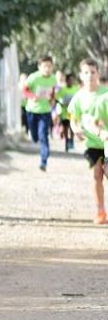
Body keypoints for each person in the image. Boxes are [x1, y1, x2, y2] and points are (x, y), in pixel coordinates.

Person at [68, 59, 108, 223]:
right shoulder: (78, 97)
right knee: (96, 176)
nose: (90, 75)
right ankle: (101, 212)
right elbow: (73, 119)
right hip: (91, 143)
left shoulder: (105, 94)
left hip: (106, 141)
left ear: (98, 73)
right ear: (81, 76)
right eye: (86, 72)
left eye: (93, 72)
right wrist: (75, 129)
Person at [23, 56, 57, 171]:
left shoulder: (53, 79)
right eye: (45, 66)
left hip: (45, 111)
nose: (47, 69)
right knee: (35, 136)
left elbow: (52, 92)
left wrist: (52, 99)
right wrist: (32, 96)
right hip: (32, 110)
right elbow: (24, 90)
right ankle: (34, 136)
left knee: (43, 135)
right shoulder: (34, 77)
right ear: (39, 67)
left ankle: (44, 161)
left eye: (49, 66)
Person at [57, 73, 78, 152]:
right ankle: (66, 142)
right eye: (69, 80)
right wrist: (62, 102)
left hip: (72, 113)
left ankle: (71, 140)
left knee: (72, 127)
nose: (71, 82)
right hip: (64, 112)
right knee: (65, 128)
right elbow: (57, 97)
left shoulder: (76, 89)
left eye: (72, 80)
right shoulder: (63, 89)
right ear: (66, 81)